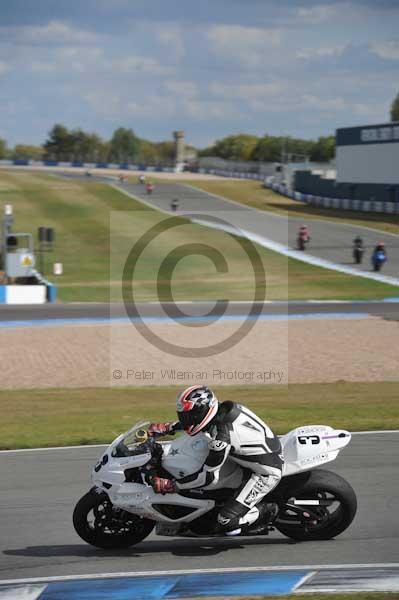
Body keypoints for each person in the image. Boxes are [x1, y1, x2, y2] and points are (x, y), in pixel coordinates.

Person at [148, 385, 283, 535]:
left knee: (227, 521)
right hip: (252, 457)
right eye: (183, 415)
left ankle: (268, 510)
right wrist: (169, 427)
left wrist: (172, 485)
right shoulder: (222, 409)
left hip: (265, 472)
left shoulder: (221, 439)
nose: (187, 420)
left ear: (203, 411)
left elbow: (207, 477)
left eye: (190, 415)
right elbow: (197, 422)